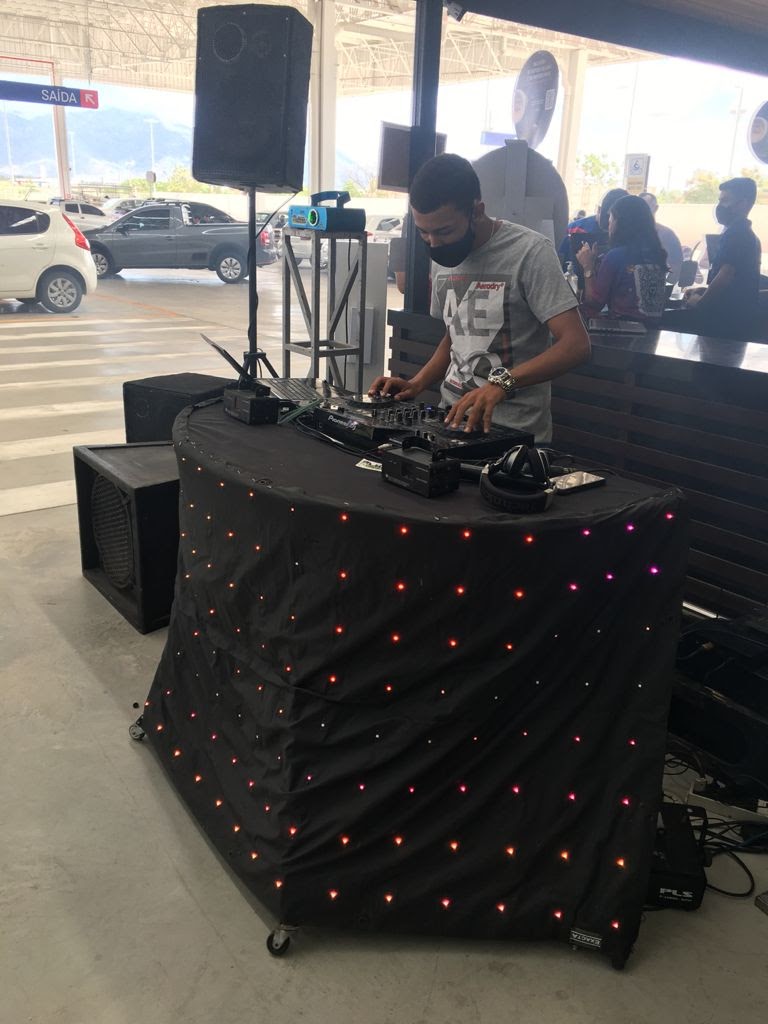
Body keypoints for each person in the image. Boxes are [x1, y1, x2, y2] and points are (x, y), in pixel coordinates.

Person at [369, 153, 590, 443]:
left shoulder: (530, 252)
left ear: (477, 211)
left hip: (515, 436)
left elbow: (576, 344)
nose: (434, 243)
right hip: (450, 423)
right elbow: (456, 335)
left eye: (444, 231)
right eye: (424, 233)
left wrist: (503, 383)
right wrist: (417, 383)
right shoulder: (442, 257)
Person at [661, 177, 762, 339]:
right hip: (737, 317)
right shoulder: (746, 235)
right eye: (719, 200)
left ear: (742, 204)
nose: (720, 206)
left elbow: (726, 274)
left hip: (727, 320)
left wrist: (700, 303)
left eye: (725, 200)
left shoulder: (738, 234)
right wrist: (703, 291)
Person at [576, 194, 668, 324]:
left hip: (624, 329)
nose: (609, 225)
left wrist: (588, 267)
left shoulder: (616, 256)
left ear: (620, 223)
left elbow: (594, 303)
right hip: (654, 330)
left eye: (611, 219)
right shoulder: (657, 254)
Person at [558, 187, 628, 267]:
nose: (609, 222)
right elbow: (559, 261)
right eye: (608, 216)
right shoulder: (575, 229)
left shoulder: (629, 241)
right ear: (598, 209)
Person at [638, 192, 683, 283]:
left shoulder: (667, 235)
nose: (642, 210)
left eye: (647, 206)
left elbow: (677, 265)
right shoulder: (630, 233)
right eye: (639, 207)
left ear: (656, 208)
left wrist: (666, 287)